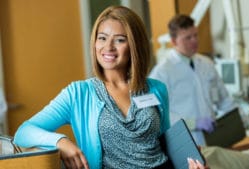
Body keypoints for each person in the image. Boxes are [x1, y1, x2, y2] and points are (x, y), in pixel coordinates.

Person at [13, 6, 206, 169]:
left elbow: (166, 144)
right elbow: (24, 132)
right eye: (102, 38)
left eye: (120, 40)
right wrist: (61, 142)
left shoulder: (156, 89)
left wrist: (186, 157)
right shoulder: (78, 93)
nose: (108, 47)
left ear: (134, 45)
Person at [149, 14, 237, 145]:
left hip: (212, 137)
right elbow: (156, 113)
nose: (194, 41)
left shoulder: (206, 64)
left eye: (195, 35)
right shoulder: (162, 72)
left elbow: (225, 100)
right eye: (188, 38)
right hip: (184, 140)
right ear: (174, 41)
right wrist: (193, 123)